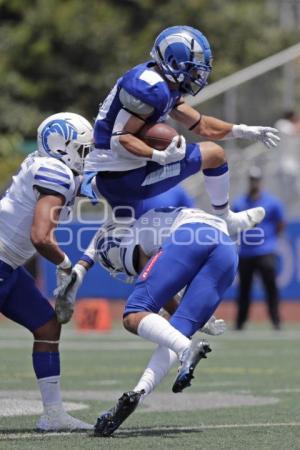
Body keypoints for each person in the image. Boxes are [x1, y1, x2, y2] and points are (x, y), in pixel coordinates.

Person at [54, 206, 265, 436]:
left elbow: (151, 281)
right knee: (177, 333)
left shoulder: (129, 236)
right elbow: (164, 291)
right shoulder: (148, 221)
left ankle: (186, 349)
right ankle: (138, 393)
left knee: (133, 314)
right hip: (227, 252)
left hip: (190, 236)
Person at [82, 25, 279, 235]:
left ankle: (83, 266)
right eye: (194, 68)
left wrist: (244, 130)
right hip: (122, 177)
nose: (198, 75)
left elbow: (202, 125)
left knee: (138, 247)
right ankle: (225, 219)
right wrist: (159, 155)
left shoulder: (164, 84)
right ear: (174, 63)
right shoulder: (149, 88)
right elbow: (120, 139)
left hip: (122, 173)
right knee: (215, 154)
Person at [0, 112, 94, 431]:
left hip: (8, 266)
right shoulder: (55, 171)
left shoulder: (52, 166)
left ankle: (53, 414)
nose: (87, 155)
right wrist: (66, 265)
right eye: (83, 149)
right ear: (61, 146)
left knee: (47, 327)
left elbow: (99, 182)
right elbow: (40, 237)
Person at [233, 167, 285, 330]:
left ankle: (275, 320)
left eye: (256, 179)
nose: (254, 182)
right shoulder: (240, 203)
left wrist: (269, 240)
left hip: (265, 251)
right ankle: (240, 322)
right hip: (246, 253)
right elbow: (232, 223)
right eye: (251, 179)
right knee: (244, 289)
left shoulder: (272, 202)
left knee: (270, 287)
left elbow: (280, 223)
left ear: (260, 181)